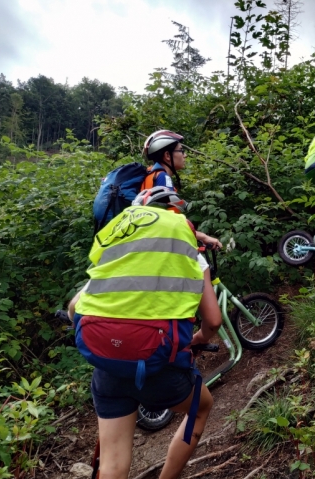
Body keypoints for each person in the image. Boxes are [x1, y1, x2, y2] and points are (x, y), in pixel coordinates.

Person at [72, 187, 222, 479]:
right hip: (160, 366)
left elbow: (75, 305)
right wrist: (201, 338)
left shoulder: (119, 252)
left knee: (113, 464)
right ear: (174, 214)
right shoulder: (187, 249)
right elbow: (213, 321)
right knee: (201, 407)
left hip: (108, 369)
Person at [141, 130, 223, 250]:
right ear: (167, 156)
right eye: (181, 151)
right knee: (203, 266)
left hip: (150, 240)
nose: (185, 155)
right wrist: (203, 237)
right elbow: (170, 223)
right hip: (160, 243)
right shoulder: (163, 179)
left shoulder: (151, 174)